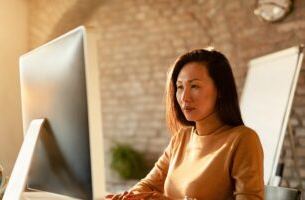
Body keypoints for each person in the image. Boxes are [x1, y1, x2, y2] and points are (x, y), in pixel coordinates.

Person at [106, 48, 264, 200]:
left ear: (220, 90)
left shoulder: (243, 140)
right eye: (180, 87)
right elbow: (149, 185)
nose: (184, 97)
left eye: (194, 86)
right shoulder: (181, 138)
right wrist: (130, 196)